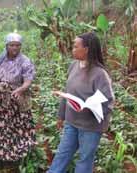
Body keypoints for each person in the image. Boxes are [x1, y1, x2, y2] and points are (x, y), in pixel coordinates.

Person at [47, 32, 115, 173]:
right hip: (71, 123)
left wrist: (89, 106)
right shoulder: (73, 66)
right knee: (62, 155)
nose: (72, 49)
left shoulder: (100, 74)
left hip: (90, 127)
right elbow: (67, 92)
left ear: (87, 49)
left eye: (75, 46)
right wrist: (61, 116)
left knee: (85, 160)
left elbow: (108, 102)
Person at [0, 32, 36, 173]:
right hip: (0, 102)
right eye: (11, 45)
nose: (15, 48)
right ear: (6, 45)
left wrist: (20, 90)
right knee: (0, 128)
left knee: (15, 128)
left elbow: (28, 80)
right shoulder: (1, 58)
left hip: (16, 101)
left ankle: (16, 157)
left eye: (17, 45)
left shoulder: (25, 61)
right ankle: (0, 155)